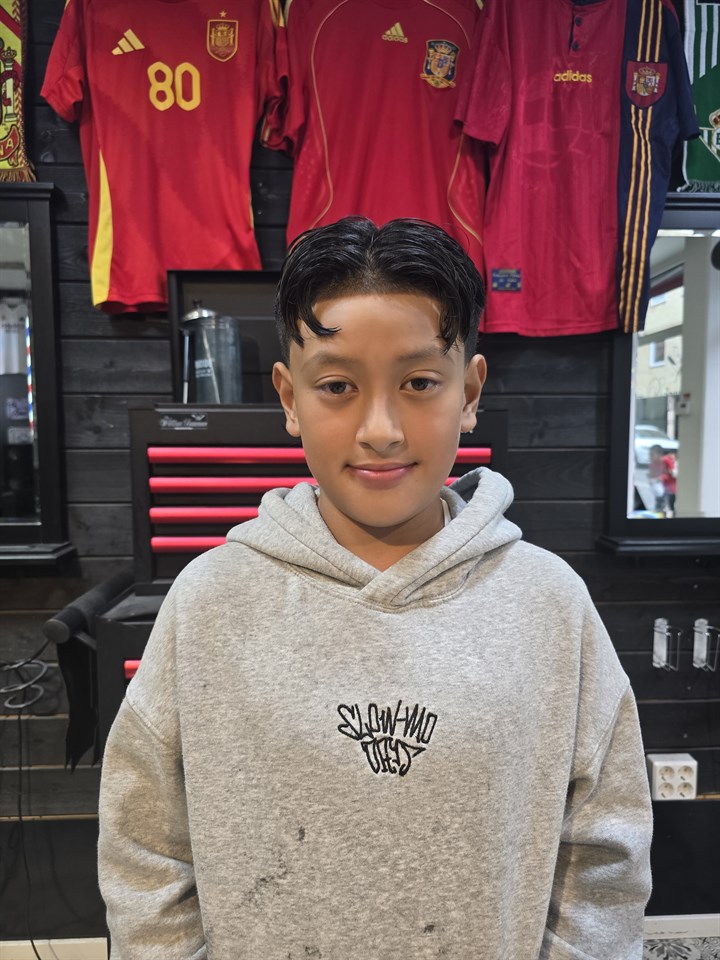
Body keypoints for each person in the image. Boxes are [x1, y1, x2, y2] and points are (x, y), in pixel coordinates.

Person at [98, 218, 653, 959]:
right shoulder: (210, 601)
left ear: (470, 392)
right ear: (289, 398)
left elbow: (603, 852)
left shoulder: (550, 603)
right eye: (338, 387)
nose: (381, 429)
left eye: (419, 383)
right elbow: (145, 846)